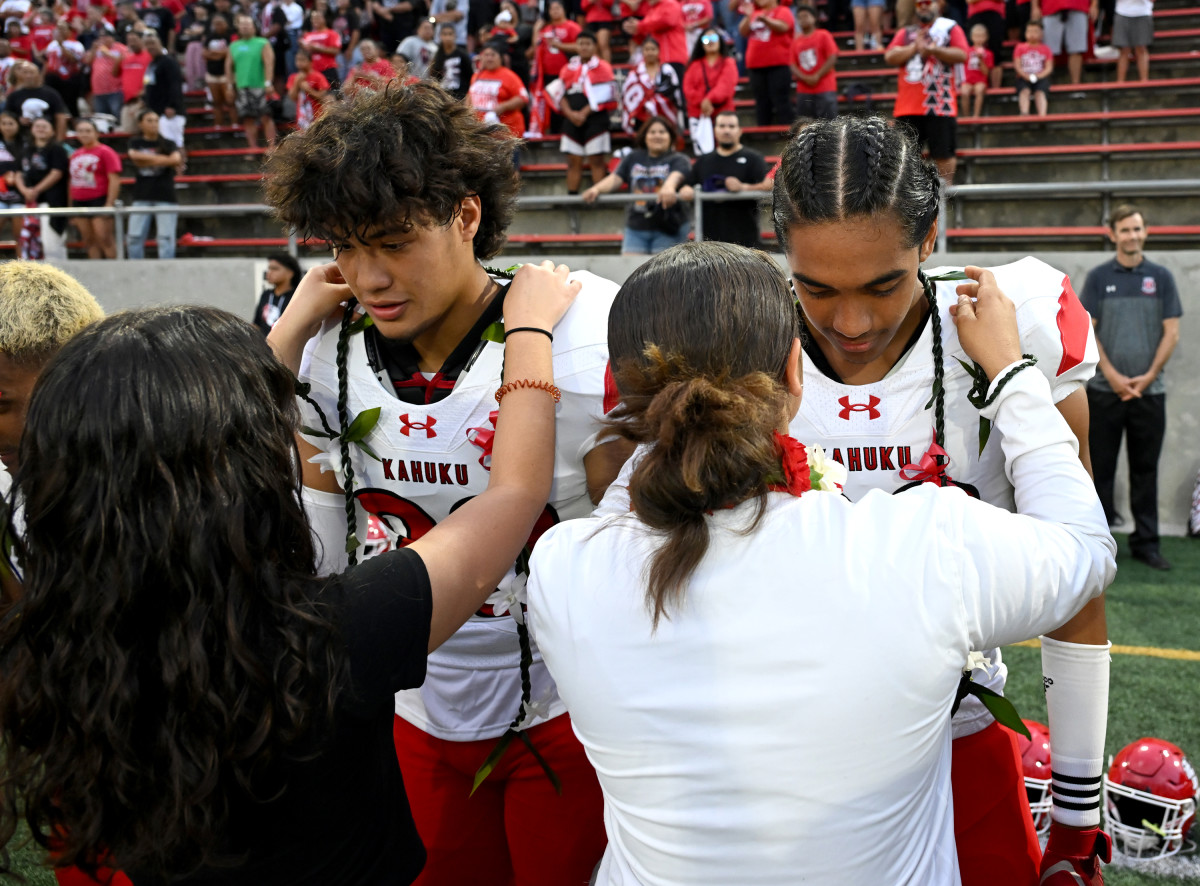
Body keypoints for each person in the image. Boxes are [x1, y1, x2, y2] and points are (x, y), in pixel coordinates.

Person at [528, 240, 1116, 885]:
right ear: (792, 372)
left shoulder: (561, 569)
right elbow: (1084, 547)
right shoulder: (920, 547)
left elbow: (626, 503)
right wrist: (1010, 375)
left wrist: (533, 341)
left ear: (625, 389)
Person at [0, 250, 580, 883]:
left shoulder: (52, 644)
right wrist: (529, 331)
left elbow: (196, 447)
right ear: (239, 472)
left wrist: (295, 319)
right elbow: (512, 496)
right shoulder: (340, 632)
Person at [263, 82, 626, 886]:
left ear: (466, 217)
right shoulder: (328, 350)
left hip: (569, 703)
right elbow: (323, 537)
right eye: (347, 247)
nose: (369, 275)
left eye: (394, 241)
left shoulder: (582, 331)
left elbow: (634, 529)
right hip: (416, 700)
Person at [771, 116, 1114, 886]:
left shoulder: (1011, 325)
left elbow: (1074, 574)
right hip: (788, 743)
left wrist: (1078, 813)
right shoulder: (746, 339)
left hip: (961, 729)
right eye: (816, 287)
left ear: (930, 240)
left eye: (881, 284)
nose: (850, 323)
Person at [1081, 205, 1181, 572]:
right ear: (1113, 235)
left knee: (1145, 470)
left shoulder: (1162, 278)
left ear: (1146, 232)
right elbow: (1087, 330)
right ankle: (1100, 545)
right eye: (1124, 230)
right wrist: (1113, 375)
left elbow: (1172, 331)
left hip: (1149, 394)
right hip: (1105, 393)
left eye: (1137, 229)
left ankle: (1147, 544)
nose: (1132, 236)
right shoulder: (1097, 278)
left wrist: (1147, 375)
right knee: (1100, 471)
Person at [883, 0, 967, 183]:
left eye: (928, 2)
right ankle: (909, 201)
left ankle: (944, 201)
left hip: (939, 104)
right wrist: (914, 47)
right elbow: (889, 56)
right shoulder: (906, 32)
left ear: (940, 5)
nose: (924, 5)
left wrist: (934, 50)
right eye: (920, 3)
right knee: (904, 157)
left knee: (943, 154)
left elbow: (962, 54)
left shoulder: (950, 29)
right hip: (907, 107)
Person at [583, 115, 692, 255]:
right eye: (652, 132)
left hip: (668, 227)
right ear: (645, 136)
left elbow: (676, 175)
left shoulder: (679, 159)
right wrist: (596, 189)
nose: (657, 136)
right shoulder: (633, 157)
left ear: (670, 137)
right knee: (631, 271)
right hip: (636, 227)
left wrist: (669, 187)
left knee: (663, 275)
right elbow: (616, 178)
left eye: (662, 132)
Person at [676, 109, 769, 248]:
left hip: (745, 240)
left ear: (739, 131)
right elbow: (689, 184)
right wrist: (686, 190)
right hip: (709, 241)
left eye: (731, 126)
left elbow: (768, 186)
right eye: (722, 126)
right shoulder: (704, 161)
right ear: (715, 131)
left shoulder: (753, 158)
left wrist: (743, 187)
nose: (726, 131)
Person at [554, 29, 615, 196]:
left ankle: (600, 197)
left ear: (595, 46)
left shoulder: (603, 67)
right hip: (571, 119)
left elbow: (607, 93)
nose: (584, 47)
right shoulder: (567, 68)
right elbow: (560, 93)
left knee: (596, 160)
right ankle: (572, 198)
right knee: (573, 161)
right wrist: (570, 114)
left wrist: (584, 113)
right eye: (581, 44)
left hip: (595, 118)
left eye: (588, 44)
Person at [126, 108, 180, 259]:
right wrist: (165, 159)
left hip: (166, 195)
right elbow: (133, 157)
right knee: (134, 237)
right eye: (149, 121)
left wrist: (146, 159)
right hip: (141, 195)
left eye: (156, 120)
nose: (154, 124)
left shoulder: (168, 142)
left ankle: (167, 271)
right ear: (140, 124)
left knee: (166, 238)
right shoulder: (135, 142)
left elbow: (176, 160)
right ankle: (135, 269)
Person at [16, 116, 69, 259]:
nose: (41, 129)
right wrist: (24, 190)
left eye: (45, 126)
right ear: (32, 130)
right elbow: (18, 173)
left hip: (51, 202)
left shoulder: (57, 149)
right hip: (29, 202)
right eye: (37, 126)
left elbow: (56, 173)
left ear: (52, 131)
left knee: (51, 243)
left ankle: (58, 278)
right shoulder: (26, 150)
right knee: (29, 242)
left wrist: (36, 190)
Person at [68, 118, 121, 259]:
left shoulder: (106, 152)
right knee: (89, 240)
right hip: (79, 201)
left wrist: (109, 203)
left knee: (105, 239)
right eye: (81, 131)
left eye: (88, 131)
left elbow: (114, 179)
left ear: (96, 133)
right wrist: (71, 207)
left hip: (99, 199)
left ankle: (115, 271)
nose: (84, 134)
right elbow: (72, 181)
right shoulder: (76, 154)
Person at [739, 0, 795, 127]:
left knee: (781, 100)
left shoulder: (783, 10)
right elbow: (742, 31)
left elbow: (784, 27)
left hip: (778, 64)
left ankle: (788, 135)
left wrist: (766, 20)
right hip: (755, 65)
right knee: (761, 101)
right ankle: (763, 133)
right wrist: (749, 16)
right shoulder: (754, 12)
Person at [681, 28, 736, 153]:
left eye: (714, 38)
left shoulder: (728, 63)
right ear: (701, 43)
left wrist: (708, 100)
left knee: (726, 151)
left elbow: (725, 87)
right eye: (706, 39)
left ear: (720, 41)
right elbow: (688, 89)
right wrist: (703, 103)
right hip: (698, 114)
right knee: (702, 153)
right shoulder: (693, 64)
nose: (710, 42)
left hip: (723, 114)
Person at [227, 14, 277, 148]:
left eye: (247, 24)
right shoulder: (234, 45)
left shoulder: (262, 43)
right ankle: (252, 148)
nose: (245, 27)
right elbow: (228, 66)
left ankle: (272, 148)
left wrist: (268, 82)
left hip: (260, 85)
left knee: (266, 116)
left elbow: (269, 63)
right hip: (242, 86)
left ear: (254, 26)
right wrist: (230, 86)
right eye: (242, 24)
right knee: (247, 118)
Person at [620, 36, 683, 139]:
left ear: (658, 51)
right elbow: (628, 95)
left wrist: (657, 101)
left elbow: (674, 92)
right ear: (643, 52)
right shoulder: (635, 74)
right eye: (647, 49)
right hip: (642, 117)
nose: (650, 52)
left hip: (665, 115)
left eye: (653, 49)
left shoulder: (667, 70)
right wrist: (643, 101)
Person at [467, 41, 527, 138]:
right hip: (481, 134)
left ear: (500, 57)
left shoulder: (509, 76)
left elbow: (522, 98)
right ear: (481, 57)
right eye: (486, 55)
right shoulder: (476, 75)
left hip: (506, 135)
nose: (489, 58)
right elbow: (470, 96)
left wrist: (503, 106)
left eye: (493, 55)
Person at [790, 4, 838, 120]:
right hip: (804, 89)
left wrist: (817, 75)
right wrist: (805, 77)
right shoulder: (795, 41)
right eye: (799, 17)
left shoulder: (823, 35)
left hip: (825, 86)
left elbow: (832, 57)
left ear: (814, 18)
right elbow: (792, 64)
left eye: (806, 16)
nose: (802, 20)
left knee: (829, 125)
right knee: (805, 125)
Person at [1033, 0, 1096, 84]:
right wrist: (1035, 7)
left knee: (1076, 49)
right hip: (1050, 7)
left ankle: (1075, 86)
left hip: (1078, 6)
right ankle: (1044, 85)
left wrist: (1094, 5)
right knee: (1048, 51)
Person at [140, 29, 185, 144]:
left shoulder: (169, 61)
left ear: (160, 43)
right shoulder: (152, 63)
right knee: (164, 144)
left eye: (153, 43)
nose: (150, 47)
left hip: (169, 111)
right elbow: (149, 84)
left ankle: (181, 162)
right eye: (147, 44)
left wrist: (172, 106)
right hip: (157, 110)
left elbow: (175, 84)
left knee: (174, 142)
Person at [4, 60, 69, 139]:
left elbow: (60, 117)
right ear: (20, 76)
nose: (28, 76)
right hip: (22, 138)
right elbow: (7, 117)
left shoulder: (51, 94)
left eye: (31, 72)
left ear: (38, 74)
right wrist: (18, 120)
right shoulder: (14, 96)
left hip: (47, 137)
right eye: (25, 73)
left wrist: (59, 140)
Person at [623, 0, 687, 78]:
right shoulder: (652, 9)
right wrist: (632, 27)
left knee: (674, 86)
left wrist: (640, 26)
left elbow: (667, 21)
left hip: (673, 57)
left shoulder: (670, 3)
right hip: (658, 59)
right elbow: (646, 28)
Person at [252, 252, 302, 334]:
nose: (269, 272)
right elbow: (256, 324)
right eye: (269, 269)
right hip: (263, 345)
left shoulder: (296, 297)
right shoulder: (266, 295)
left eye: (274, 269)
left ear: (290, 273)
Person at [86, 31, 129, 119]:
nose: (103, 39)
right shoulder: (97, 49)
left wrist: (108, 53)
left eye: (105, 37)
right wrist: (93, 50)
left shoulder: (120, 48)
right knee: (101, 117)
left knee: (116, 114)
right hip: (98, 90)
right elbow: (87, 62)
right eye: (101, 37)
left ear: (112, 38)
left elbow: (126, 61)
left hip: (115, 89)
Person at [1013, 18, 1051, 116]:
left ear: (1042, 34)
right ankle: (1024, 113)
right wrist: (1025, 75)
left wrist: (1039, 76)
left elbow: (1049, 67)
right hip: (1023, 76)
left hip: (1040, 77)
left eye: (1035, 31)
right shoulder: (1020, 47)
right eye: (1029, 31)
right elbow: (1017, 65)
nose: (1032, 34)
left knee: (1040, 93)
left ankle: (1042, 116)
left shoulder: (1046, 49)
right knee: (1024, 91)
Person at [299, 8, 342, 90]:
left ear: (324, 19)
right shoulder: (307, 35)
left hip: (327, 69)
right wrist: (302, 47)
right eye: (313, 18)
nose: (315, 20)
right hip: (312, 71)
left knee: (333, 96)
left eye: (318, 18)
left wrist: (317, 48)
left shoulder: (332, 34)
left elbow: (335, 51)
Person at [287, 46, 329, 129]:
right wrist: (296, 82)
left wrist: (309, 90)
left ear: (311, 62)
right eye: (297, 60)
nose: (299, 63)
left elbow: (324, 98)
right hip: (302, 119)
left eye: (302, 60)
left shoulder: (318, 77)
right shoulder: (293, 77)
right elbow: (292, 97)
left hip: (317, 118)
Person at [202, 14, 233, 128]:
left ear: (225, 24)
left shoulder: (230, 36)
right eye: (215, 24)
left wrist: (213, 53)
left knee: (230, 101)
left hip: (226, 74)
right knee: (216, 102)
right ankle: (218, 125)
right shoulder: (210, 37)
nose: (217, 26)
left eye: (220, 23)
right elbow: (204, 53)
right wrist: (220, 54)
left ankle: (234, 125)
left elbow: (229, 52)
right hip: (212, 73)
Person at [966, 0, 1005, 87]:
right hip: (975, 15)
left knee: (996, 56)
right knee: (972, 52)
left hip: (995, 15)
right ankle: (974, 84)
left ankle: (996, 90)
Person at [428, 21, 470, 98]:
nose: (448, 37)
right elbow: (433, 77)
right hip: (443, 96)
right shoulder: (437, 56)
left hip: (460, 95)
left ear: (455, 36)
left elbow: (469, 75)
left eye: (450, 34)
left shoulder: (462, 54)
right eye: (445, 34)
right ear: (440, 36)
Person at [1112, 0, 1151, 82]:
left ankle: (1144, 81)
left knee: (1141, 49)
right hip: (1122, 12)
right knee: (1124, 50)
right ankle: (1120, 83)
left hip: (1143, 12)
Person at [960, 22, 993, 118]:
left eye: (981, 36)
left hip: (981, 80)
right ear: (971, 37)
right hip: (967, 80)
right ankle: (966, 117)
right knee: (964, 92)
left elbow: (986, 73)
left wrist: (981, 60)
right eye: (976, 36)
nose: (979, 39)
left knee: (979, 90)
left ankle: (976, 116)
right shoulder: (966, 51)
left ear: (986, 37)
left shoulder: (988, 53)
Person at [0, 110, 22, 245]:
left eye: (11, 123)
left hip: (20, 196)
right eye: (4, 124)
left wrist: (18, 178)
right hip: (0, 196)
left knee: (20, 236)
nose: (7, 127)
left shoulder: (26, 144)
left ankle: (22, 265)